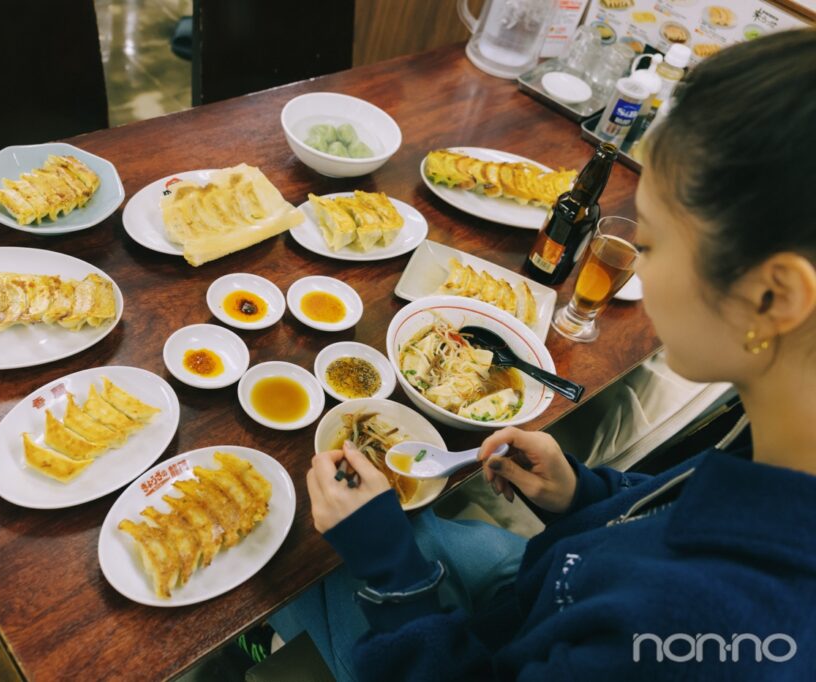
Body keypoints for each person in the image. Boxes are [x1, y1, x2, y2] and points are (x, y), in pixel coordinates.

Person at [269, 29, 816, 680]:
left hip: (461, 652)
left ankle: (251, 663)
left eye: (651, 242)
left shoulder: (706, 629)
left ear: (773, 295)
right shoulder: (782, 451)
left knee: (288, 561)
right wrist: (586, 492)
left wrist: (396, 578)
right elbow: (677, 512)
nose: (630, 266)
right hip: (539, 591)